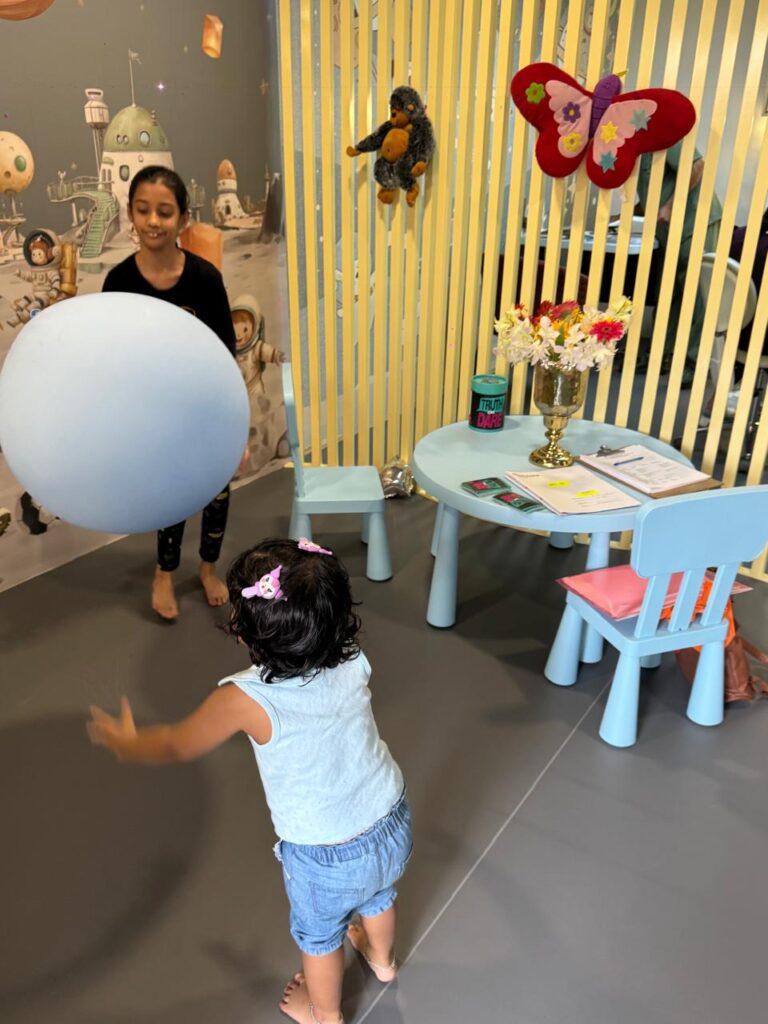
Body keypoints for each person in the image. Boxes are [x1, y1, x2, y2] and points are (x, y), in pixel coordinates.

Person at [87, 537, 412, 1024]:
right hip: (391, 817)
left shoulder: (245, 699)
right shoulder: (351, 657)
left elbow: (176, 744)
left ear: (243, 632)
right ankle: (382, 960)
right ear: (339, 614)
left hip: (324, 854)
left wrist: (130, 743)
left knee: (319, 938)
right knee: (379, 894)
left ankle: (324, 1013)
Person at [103, 166, 245, 620]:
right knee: (171, 496)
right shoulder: (118, 282)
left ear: (183, 218)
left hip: (204, 411)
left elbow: (227, 355)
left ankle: (207, 569)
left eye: (165, 212)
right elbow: (113, 358)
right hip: (153, 416)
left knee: (216, 496)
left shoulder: (205, 279)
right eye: (143, 209)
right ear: (130, 213)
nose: (153, 221)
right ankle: (164, 573)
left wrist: (235, 427)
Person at [635, 142, 723, 387]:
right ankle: (661, 355)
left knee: (697, 296)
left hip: (693, 222)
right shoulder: (637, 146)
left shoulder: (663, 135)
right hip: (669, 230)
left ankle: (692, 364)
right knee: (667, 292)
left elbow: (697, 165)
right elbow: (655, 190)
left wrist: (670, 206)